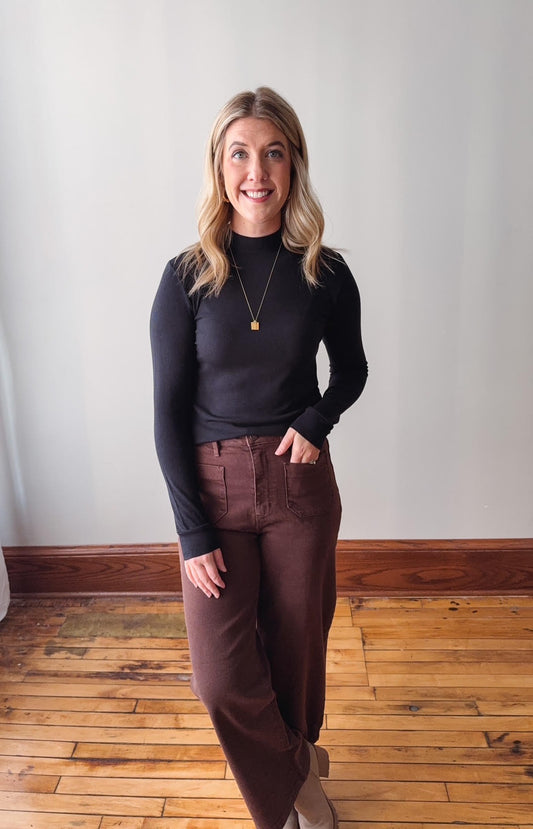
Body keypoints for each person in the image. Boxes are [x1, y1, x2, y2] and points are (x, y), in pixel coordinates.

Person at [150, 86, 367, 829]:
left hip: (299, 484)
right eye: (239, 153)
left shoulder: (323, 272)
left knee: (295, 650)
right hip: (213, 489)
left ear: (293, 164)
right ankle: (301, 779)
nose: (256, 171)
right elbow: (167, 413)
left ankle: (294, 759)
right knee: (219, 676)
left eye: (273, 153)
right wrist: (191, 531)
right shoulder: (186, 277)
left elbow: (351, 371)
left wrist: (317, 417)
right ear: (218, 166)